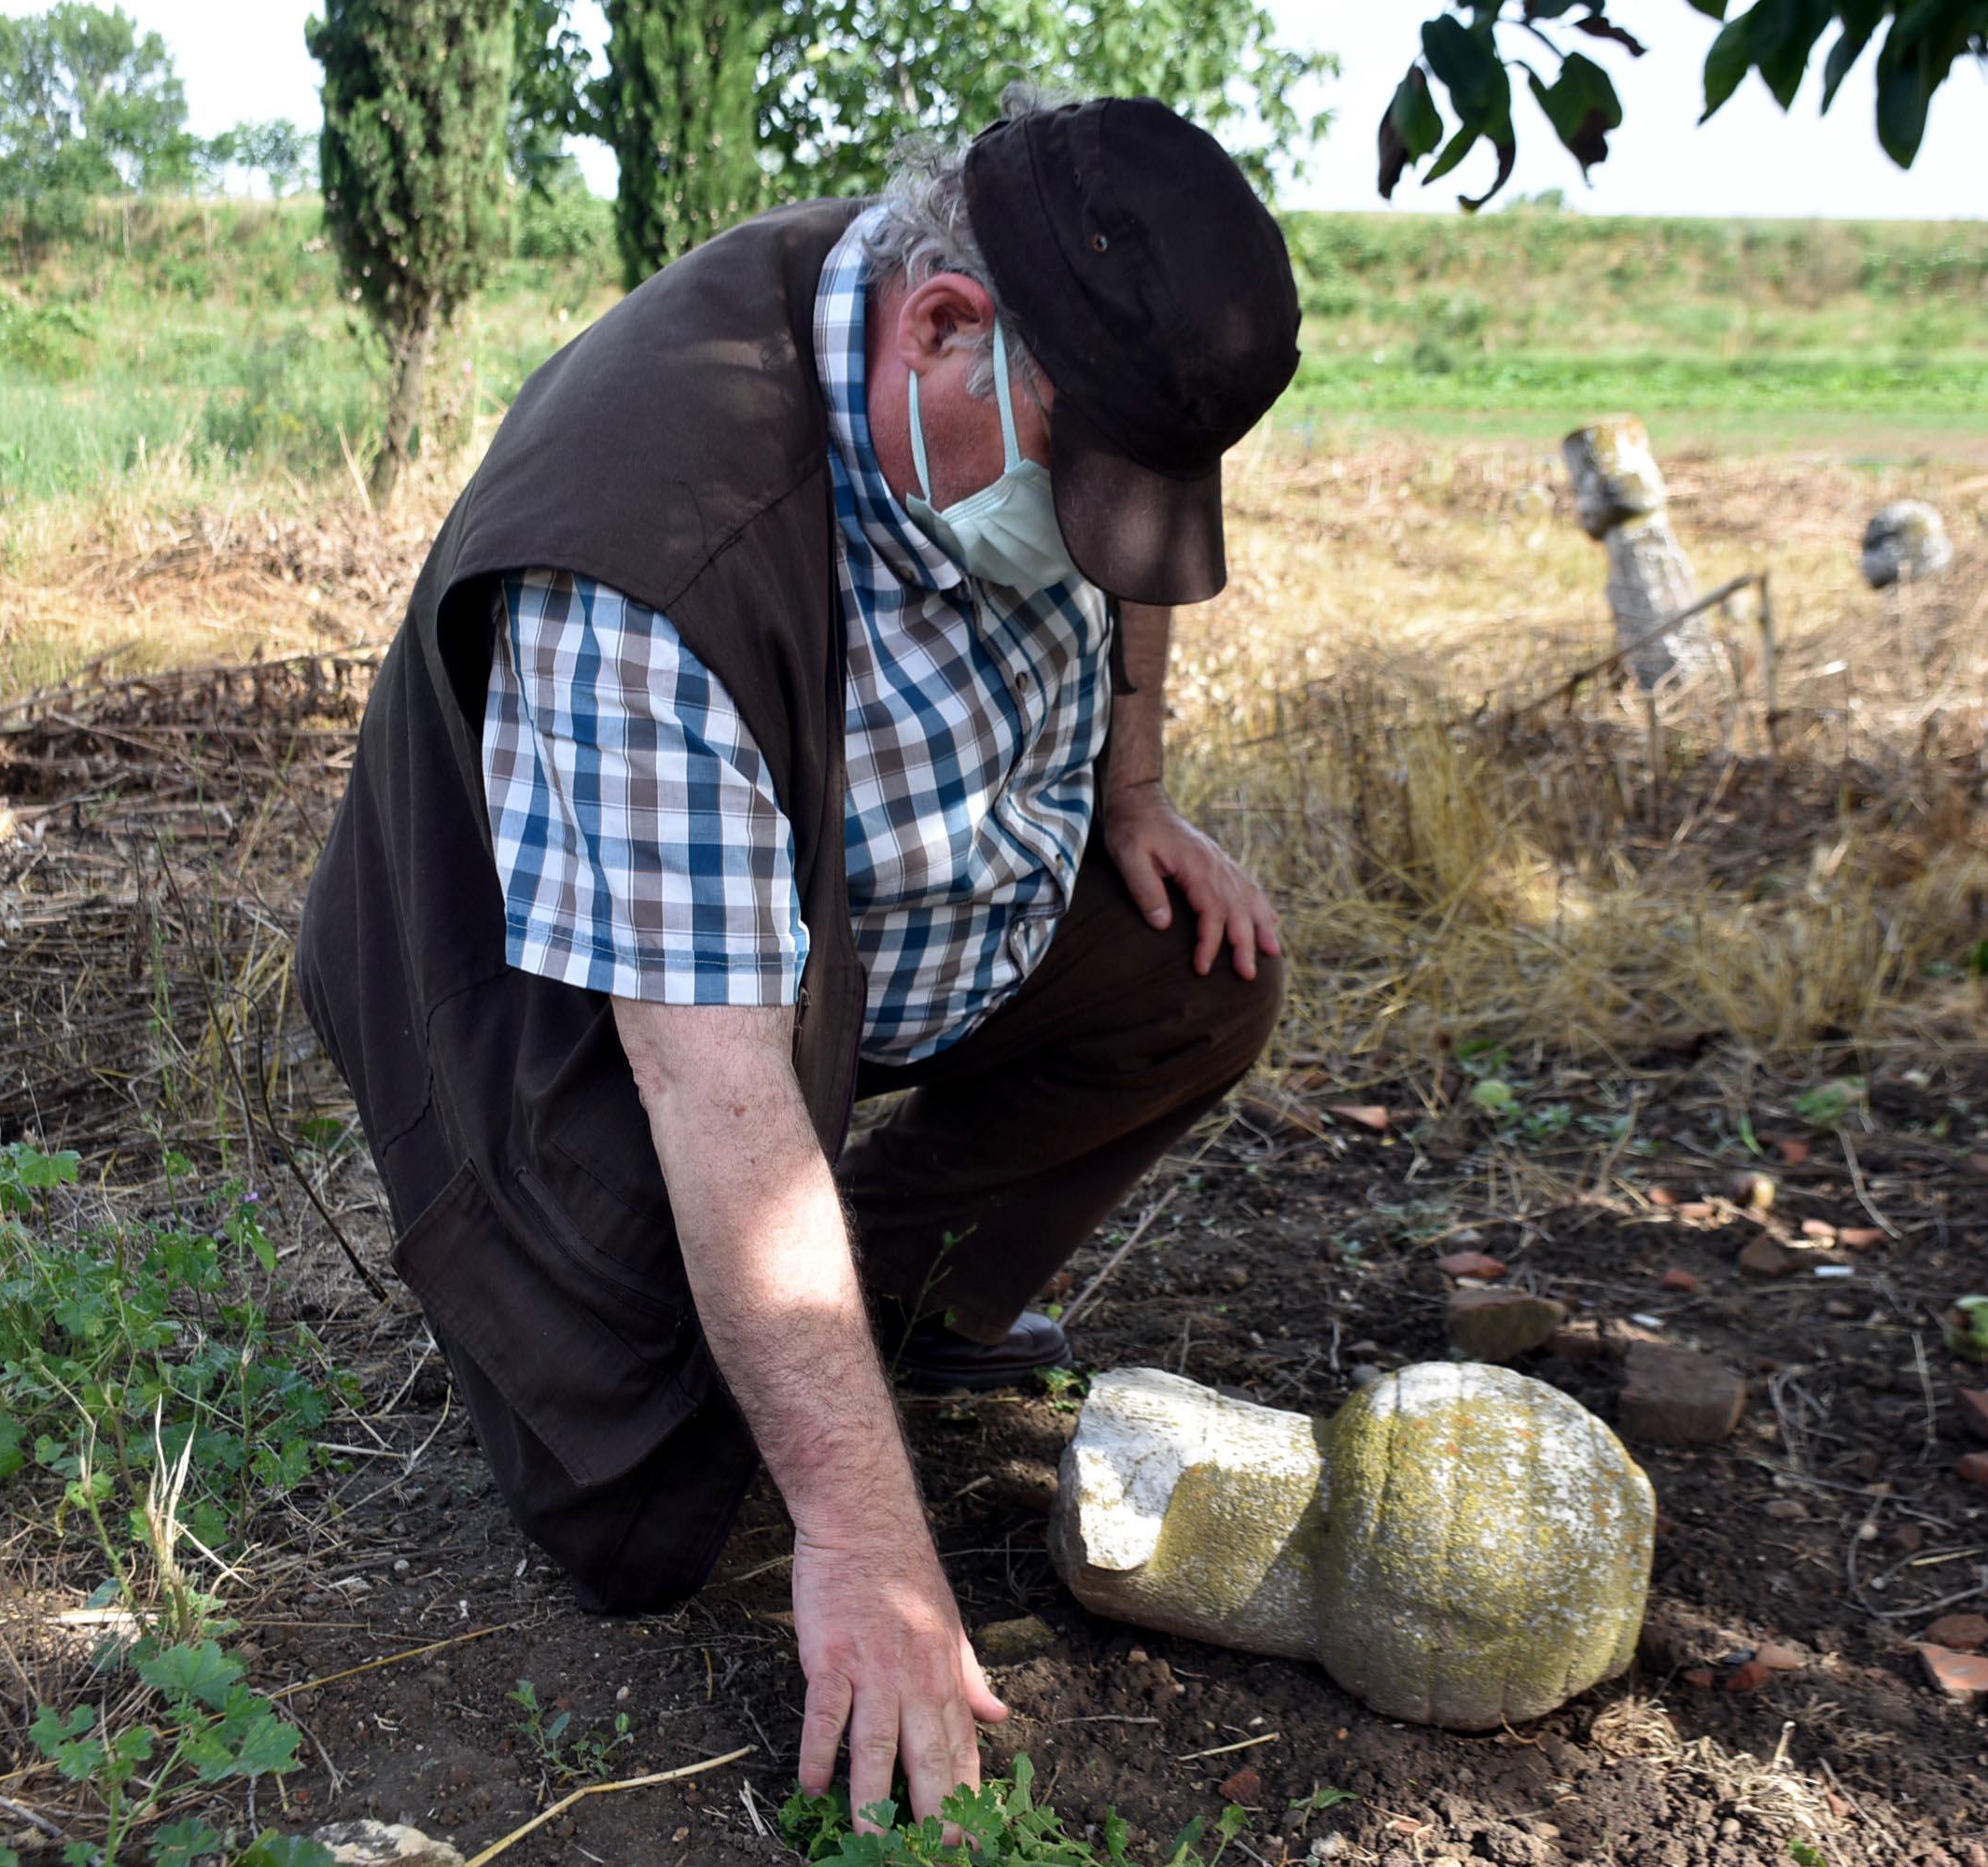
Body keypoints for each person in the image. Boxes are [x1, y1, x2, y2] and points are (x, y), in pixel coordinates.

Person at [295, 91, 1302, 1827]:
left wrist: (1133, 795)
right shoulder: (651, 547)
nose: (1092, 542)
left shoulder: (1029, 350)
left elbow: (1122, 554)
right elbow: (716, 1083)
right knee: (647, 1522)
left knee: (1195, 975)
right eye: (1077, 492)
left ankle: (884, 1312)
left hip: (888, 912)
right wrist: (866, 1544)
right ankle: (747, 1365)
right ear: (943, 330)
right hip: (607, 988)